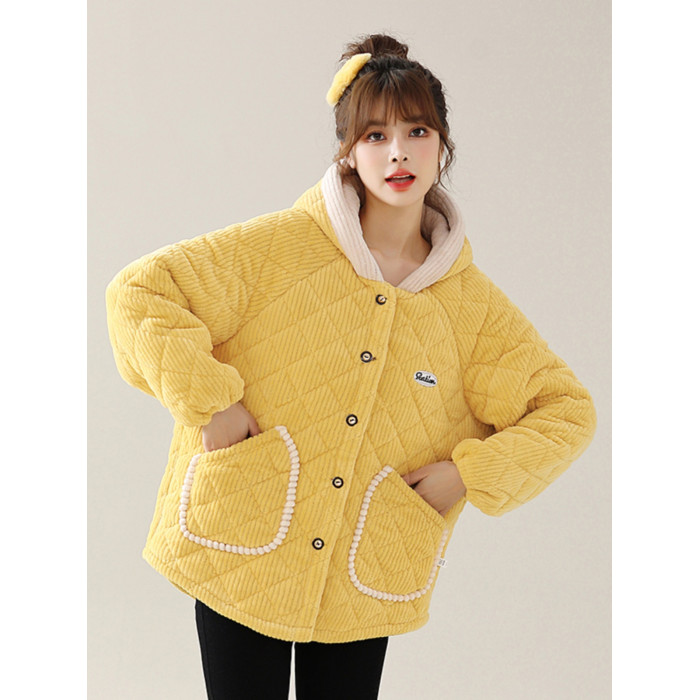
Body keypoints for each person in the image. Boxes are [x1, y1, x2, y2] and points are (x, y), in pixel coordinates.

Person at [105, 33, 596, 700]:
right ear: (348, 151)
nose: (398, 152)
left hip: (370, 561)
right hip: (242, 539)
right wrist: (211, 401)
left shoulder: (473, 310)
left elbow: (566, 412)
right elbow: (139, 293)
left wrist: (469, 475)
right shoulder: (281, 249)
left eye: (417, 131)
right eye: (375, 135)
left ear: (443, 145)